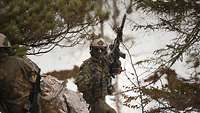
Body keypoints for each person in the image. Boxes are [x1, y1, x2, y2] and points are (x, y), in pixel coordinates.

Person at [75, 34, 122, 113]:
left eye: (102, 49)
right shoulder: (88, 65)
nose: (99, 52)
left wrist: (116, 59)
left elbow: (116, 70)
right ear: (92, 50)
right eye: (96, 49)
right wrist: (92, 80)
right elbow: (81, 86)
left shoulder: (105, 63)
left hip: (102, 99)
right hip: (92, 102)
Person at [0, 33, 41, 113]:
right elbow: (35, 74)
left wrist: (34, 99)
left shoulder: (18, 62)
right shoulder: (19, 61)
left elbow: (35, 75)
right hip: (26, 106)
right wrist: (34, 98)